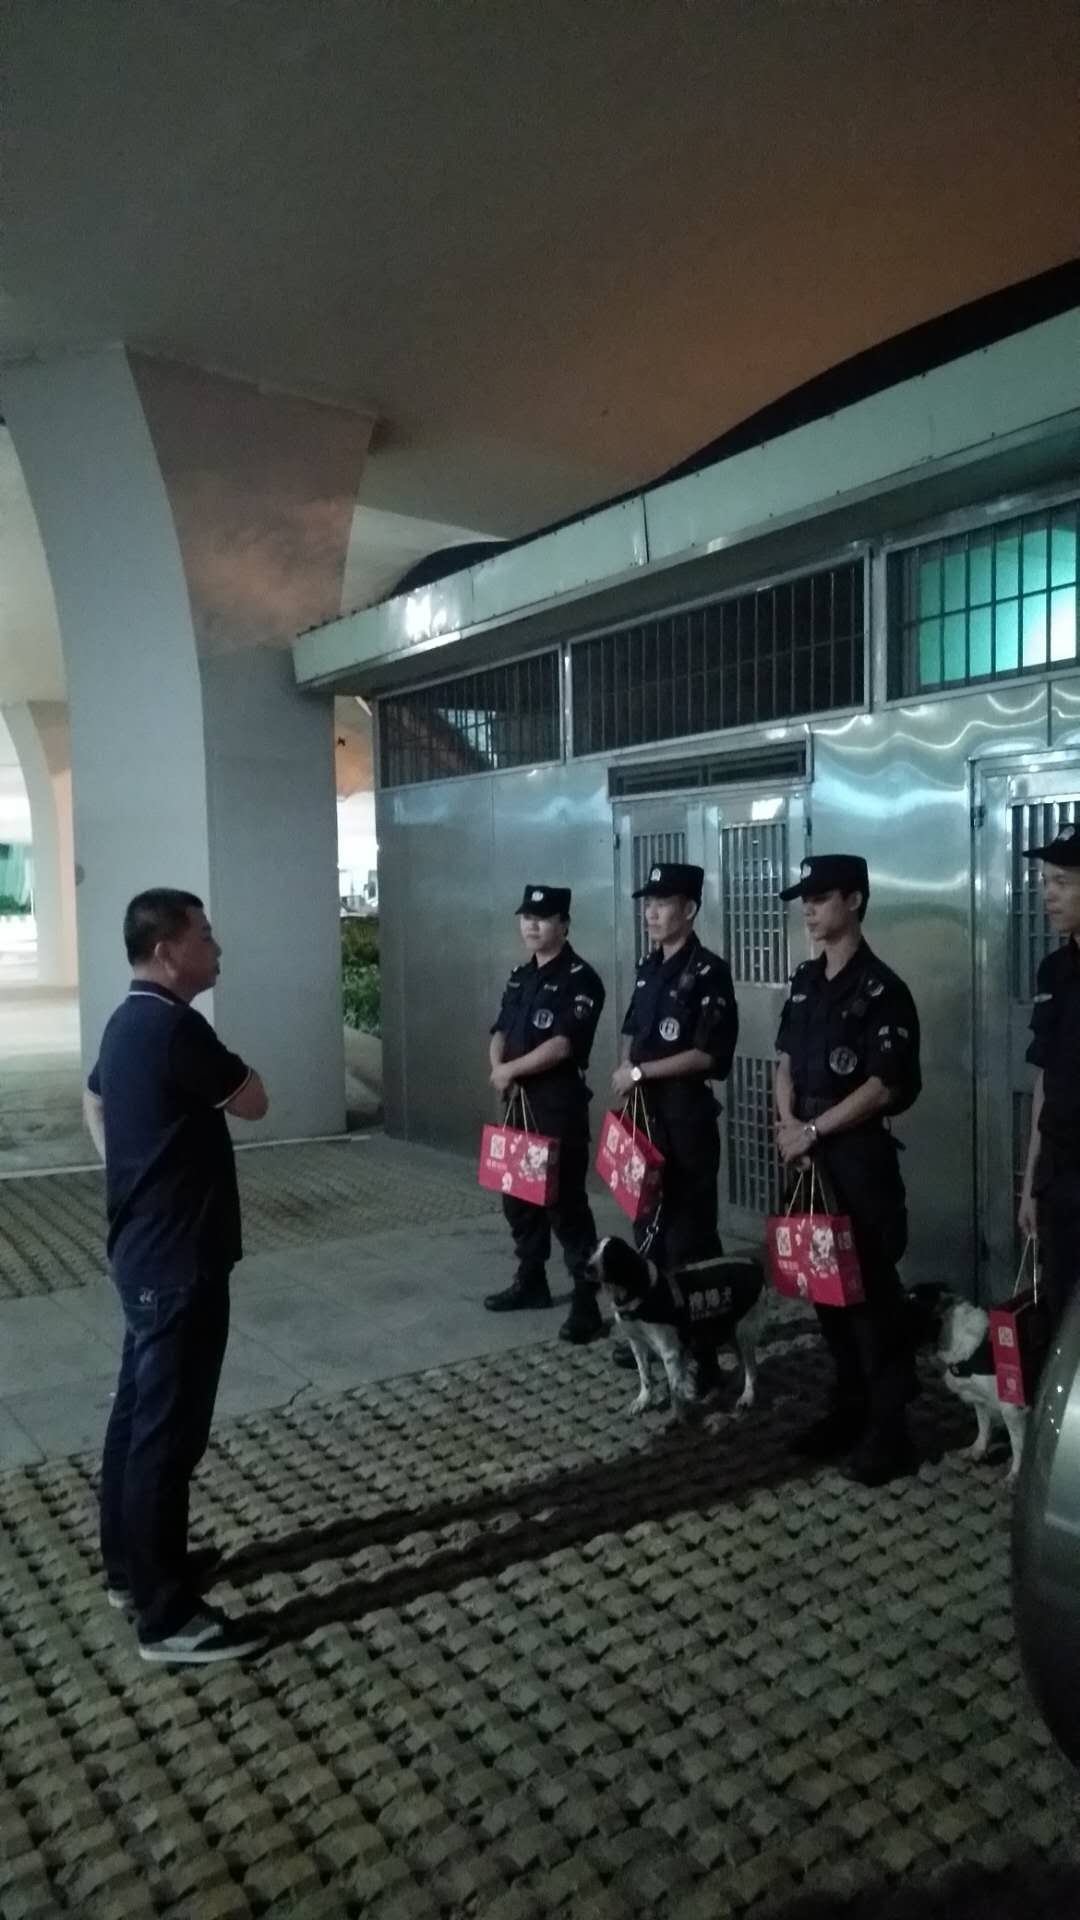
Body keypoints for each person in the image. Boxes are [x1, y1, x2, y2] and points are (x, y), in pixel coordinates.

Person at [83, 888, 269, 1665]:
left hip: (142, 1250)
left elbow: (92, 1099)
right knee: (167, 1433)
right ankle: (166, 1618)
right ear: (167, 951)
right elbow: (255, 1102)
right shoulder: (175, 1028)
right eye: (205, 935)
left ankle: (131, 1568)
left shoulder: (125, 1022)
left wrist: (131, 1172)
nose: (216, 947)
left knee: (138, 1417)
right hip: (179, 1260)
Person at [774, 853, 922, 1487]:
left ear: (854, 901)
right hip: (807, 1153)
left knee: (868, 1299)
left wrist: (812, 1130)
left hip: (854, 1160)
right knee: (826, 1292)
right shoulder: (806, 980)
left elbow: (884, 1086)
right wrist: (789, 1126)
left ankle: (892, 1431)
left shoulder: (883, 990)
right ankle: (849, 1408)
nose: (808, 907)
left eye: (821, 896)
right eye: (804, 898)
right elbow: (784, 1059)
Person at [612, 861, 739, 1375]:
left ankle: (703, 1347)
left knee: (690, 1238)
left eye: (662, 903)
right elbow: (631, 1032)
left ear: (688, 909)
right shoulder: (649, 967)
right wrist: (625, 1074)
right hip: (645, 1120)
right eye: (647, 903)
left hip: (685, 1121)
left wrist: (639, 1073)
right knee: (649, 1232)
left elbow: (708, 1056)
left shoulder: (709, 971)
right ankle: (659, 1332)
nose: (651, 911)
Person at [485, 884, 607, 1343]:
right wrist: (499, 1067)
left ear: (564, 924)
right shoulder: (520, 976)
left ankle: (586, 1299)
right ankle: (530, 1280)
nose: (532, 925)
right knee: (517, 1196)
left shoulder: (581, 979)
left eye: (543, 918)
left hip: (556, 1106)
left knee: (563, 1203)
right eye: (526, 917)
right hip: (516, 1103)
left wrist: (509, 1069)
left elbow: (562, 1045)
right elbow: (500, 1028)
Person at [1019, 825, 1080, 1331]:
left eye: (1061, 881)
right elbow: (1046, 1079)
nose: (1048, 894)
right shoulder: (1055, 970)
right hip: (1060, 1174)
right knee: (1060, 1310)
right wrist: (1030, 1183)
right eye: (1045, 881)